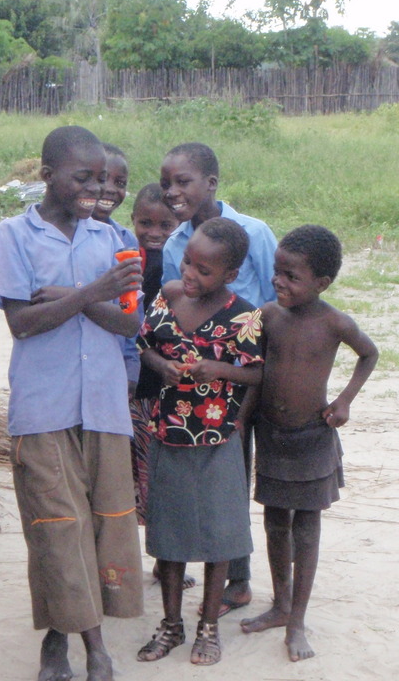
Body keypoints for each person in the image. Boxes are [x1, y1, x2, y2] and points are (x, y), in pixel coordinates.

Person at [0, 125, 144, 681]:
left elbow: (130, 322)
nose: (97, 187)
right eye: (83, 177)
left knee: (106, 525)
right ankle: (90, 648)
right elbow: (22, 324)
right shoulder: (14, 236)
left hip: (103, 405)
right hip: (43, 406)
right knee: (57, 525)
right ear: (47, 176)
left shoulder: (112, 238)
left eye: (102, 177)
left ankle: (58, 634)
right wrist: (88, 294)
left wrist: (77, 299)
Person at [238, 225, 378, 662]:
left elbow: (369, 354)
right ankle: (279, 605)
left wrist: (344, 401)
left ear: (322, 283)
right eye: (277, 272)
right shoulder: (268, 317)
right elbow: (256, 373)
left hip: (312, 438)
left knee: (306, 528)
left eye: (292, 276)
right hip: (272, 437)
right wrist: (242, 420)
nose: (280, 281)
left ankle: (297, 619)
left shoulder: (334, 322)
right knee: (275, 521)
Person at [136, 217, 263, 667]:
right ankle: (172, 624)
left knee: (217, 534)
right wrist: (159, 365)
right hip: (166, 433)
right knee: (168, 535)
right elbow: (144, 344)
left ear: (229, 275)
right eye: (188, 262)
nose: (190, 274)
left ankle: (209, 627)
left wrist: (220, 370)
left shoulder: (243, 316)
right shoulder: (169, 296)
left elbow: (257, 372)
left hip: (217, 439)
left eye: (203, 270)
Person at [159, 141, 278, 612]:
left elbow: (274, 302)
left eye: (183, 181)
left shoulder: (254, 233)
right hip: (197, 389)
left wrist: (253, 377)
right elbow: (177, 310)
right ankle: (211, 568)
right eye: (166, 182)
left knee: (235, 475)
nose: (172, 191)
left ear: (211, 183)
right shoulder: (174, 245)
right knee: (204, 481)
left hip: (244, 376)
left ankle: (238, 578)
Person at [128, 183, 179, 523]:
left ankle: (164, 559)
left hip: (163, 379)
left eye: (165, 226)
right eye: (145, 223)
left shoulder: (177, 263)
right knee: (136, 468)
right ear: (133, 220)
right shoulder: (130, 258)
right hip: (136, 379)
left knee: (160, 471)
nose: (154, 233)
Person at [92, 143, 141, 396]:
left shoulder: (126, 242)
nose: (111, 189)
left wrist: (131, 366)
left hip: (114, 364)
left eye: (120, 183)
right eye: (102, 179)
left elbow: (131, 308)